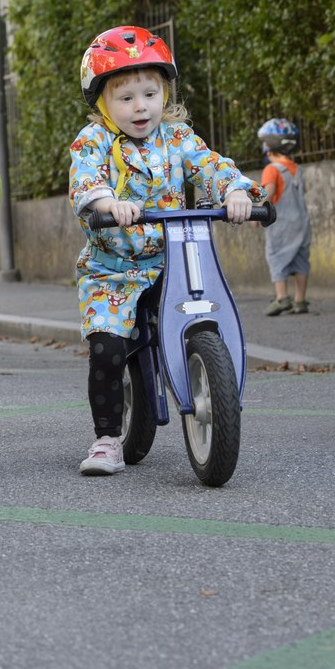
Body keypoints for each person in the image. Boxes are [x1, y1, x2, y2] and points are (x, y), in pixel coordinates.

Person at [70, 25, 265, 476]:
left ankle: (209, 382)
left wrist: (236, 192)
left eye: (149, 93)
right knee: (108, 347)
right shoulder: (94, 141)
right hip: (112, 270)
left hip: (174, 261)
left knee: (200, 313)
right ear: (102, 102)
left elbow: (211, 165)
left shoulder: (178, 139)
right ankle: (106, 439)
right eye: (125, 98)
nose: (140, 106)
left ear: (164, 93)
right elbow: (86, 178)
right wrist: (106, 203)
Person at [256, 118, 312, 316]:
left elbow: (269, 192)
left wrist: (258, 214)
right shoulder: (298, 169)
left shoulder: (271, 169)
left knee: (277, 256)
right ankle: (300, 300)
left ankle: (282, 298)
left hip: (281, 224)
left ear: (268, 147)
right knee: (301, 260)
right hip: (302, 223)